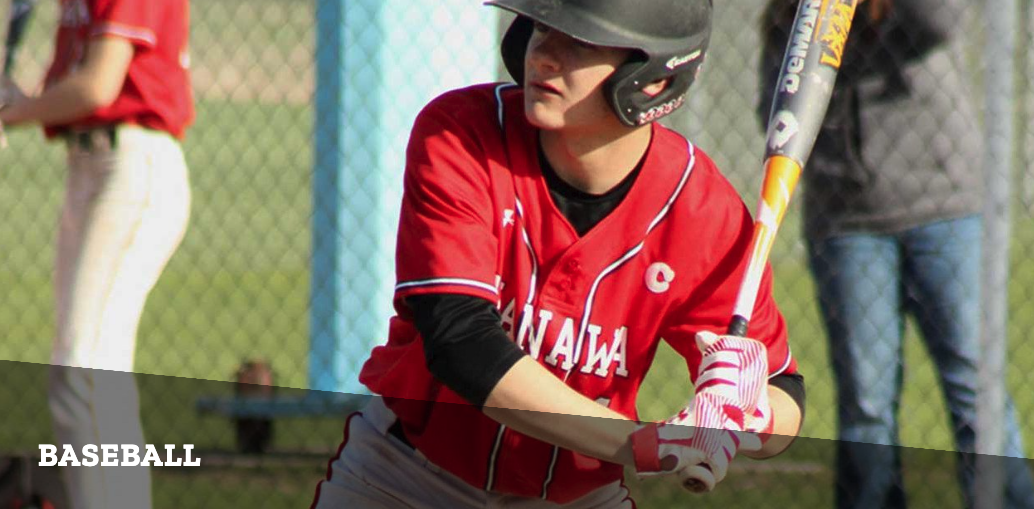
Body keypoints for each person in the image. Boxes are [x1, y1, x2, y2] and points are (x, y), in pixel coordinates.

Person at [312, 0, 806, 507]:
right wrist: (641, 443)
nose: (543, 55)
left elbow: (784, 390)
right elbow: (460, 341)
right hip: (406, 475)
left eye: (580, 41)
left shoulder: (702, 213)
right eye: (541, 28)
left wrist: (747, 411)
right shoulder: (462, 135)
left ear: (653, 79)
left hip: (577, 496)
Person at [758, 0, 1034, 508]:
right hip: (848, 220)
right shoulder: (794, 14)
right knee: (866, 402)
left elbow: (941, 21)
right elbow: (774, 113)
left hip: (944, 205)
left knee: (975, 381)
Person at [0, 0, 193, 507]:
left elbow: (98, 86)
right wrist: (17, 100)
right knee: (87, 369)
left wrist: (13, 112)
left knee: (83, 370)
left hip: (131, 168)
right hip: (89, 169)